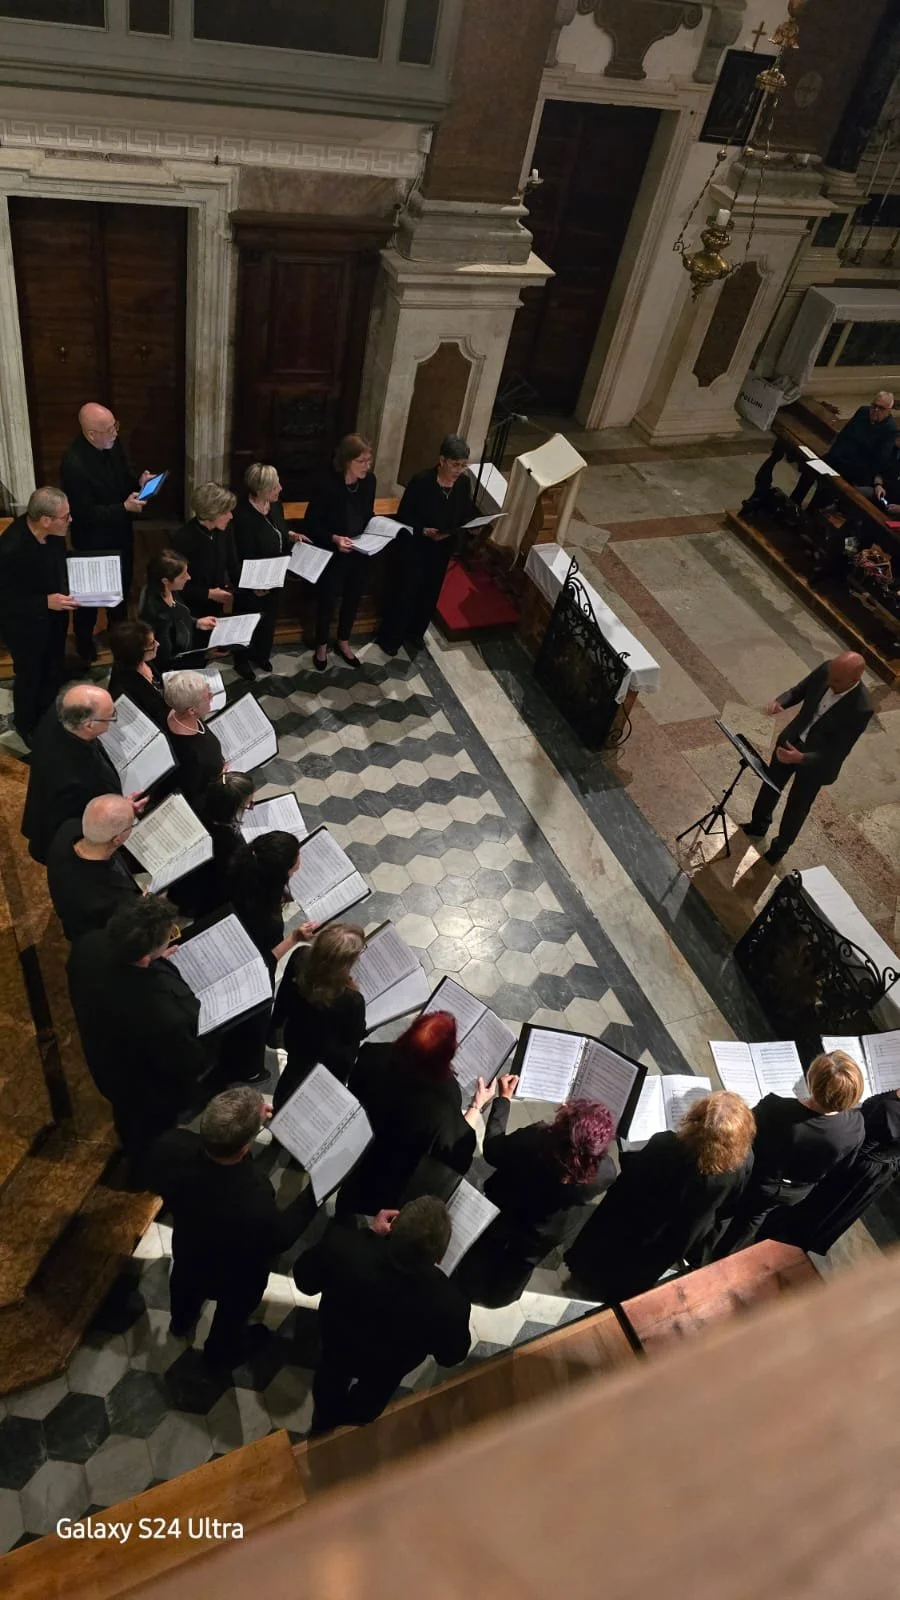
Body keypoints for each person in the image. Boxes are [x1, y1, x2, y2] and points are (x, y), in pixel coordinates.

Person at [144, 1087, 315, 1365]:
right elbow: (281, 1237)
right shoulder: (254, 1196)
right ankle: (219, 1353)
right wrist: (313, 1196)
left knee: (185, 1287)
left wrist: (249, 1125)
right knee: (232, 1315)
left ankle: (180, 1322)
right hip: (237, 1274)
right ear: (247, 1144)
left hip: (190, 1249)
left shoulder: (170, 1145)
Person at [294, 1196, 471, 1431]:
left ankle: (323, 1420)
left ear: (392, 1228)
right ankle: (353, 1419)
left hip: (337, 1342)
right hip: (387, 1368)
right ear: (439, 1257)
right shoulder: (450, 1305)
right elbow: (451, 1357)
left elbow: (304, 1279)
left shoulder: (344, 1246)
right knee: (370, 1400)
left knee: (329, 1379)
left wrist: (368, 1233)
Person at [565, 1092, 756, 1302]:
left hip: (641, 1216)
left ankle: (588, 1276)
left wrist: (627, 1154)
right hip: (679, 1233)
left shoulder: (667, 1146)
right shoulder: (742, 1163)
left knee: (611, 1247)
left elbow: (633, 1177)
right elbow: (730, 1202)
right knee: (646, 1265)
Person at [67, 894, 207, 1163]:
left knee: (127, 1116)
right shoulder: (163, 1013)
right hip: (145, 1087)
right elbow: (189, 1061)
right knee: (148, 1132)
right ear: (145, 956)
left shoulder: (86, 945)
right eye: (170, 935)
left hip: (102, 1054)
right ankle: (146, 1166)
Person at [453, 1080, 617, 1307]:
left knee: (488, 1244)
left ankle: (467, 1282)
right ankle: (501, 1296)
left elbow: (493, 1150)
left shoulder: (535, 1140)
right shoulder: (606, 1172)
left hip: (507, 1206)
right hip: (547, 1230)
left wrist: (504, 1100)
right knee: (521, 1263)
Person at [712, 1053, 865, 1258]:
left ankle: (700, 1252)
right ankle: (721, 1259)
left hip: (755, 1178)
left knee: (724, 1210)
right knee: (752, 1219)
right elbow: (843, 1166)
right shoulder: (855, 1127)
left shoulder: (775, 1108)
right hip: (795, 1192)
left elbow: (743, 1135)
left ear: (811, 1080)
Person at [336, 1012, 483, 1217]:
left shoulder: (373, 1054)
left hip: (354, 1151)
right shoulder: (446, 1097)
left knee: (348, 1200)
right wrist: (475, 1108)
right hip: (392, 1176)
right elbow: (457, 1156)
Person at [742, 653, 874, 863]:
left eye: (837, 681)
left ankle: (779, 849)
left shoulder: (861, 708)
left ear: (855, 680)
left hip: (815, 762)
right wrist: (780, 701)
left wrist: (801, 758)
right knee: (770, 785)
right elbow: (799, 690)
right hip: (792, 740)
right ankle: (758, 825)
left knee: (797, 806)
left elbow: (837, 752)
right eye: (831, 676)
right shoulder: (827, 670)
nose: (830, 683)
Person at [60, 403, 152, 663]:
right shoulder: (74, 464)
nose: (115, 432)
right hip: (92, 542)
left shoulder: (112, 444)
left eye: (115, 425)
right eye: (109, 429)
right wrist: (123, 507)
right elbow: (85, 513)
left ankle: (119, 642)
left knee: (120, 594)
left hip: (120, 535)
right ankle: (84, 648)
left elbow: (123, 477)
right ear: (91, 434)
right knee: (89, 602)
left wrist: (140, 483)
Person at [764, 1078, 900, 1256]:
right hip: (877, 1168)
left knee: (814, 1205)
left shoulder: (889, 1110)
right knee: (827, 1212)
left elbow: (865, 1137)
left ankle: (777, 1244)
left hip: (858, 1162)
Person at [21, 683, 144, 865]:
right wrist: (121, 808)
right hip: (63, 836)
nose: (114, 718)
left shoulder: (61, 712)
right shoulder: (76, 776)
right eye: (111, 717)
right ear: (88, 726)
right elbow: (83, 820)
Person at [376, 434, 475, 657]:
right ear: (442, 461)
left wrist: (469, 525)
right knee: (406, 592)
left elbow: (464, 513)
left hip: (442, 549)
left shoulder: (463, 484)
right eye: (455, 464)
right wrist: (423, 531)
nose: (459, 470)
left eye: (463, 466)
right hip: (417, 548)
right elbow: (404, 515)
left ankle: (415, 633)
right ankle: (391, 637)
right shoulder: (422, 481)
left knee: (430, 592)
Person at [0, 486, 77, 745]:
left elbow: (58, 564)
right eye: (65, 516)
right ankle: (27, 726)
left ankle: (49, 712)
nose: (70, 520)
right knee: (31, 676)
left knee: (53, 668)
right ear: (46, 520)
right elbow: (6, 600)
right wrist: (45, 602)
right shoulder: (11, 549)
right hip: (26, 628)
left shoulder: (53, 534)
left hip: (53, 620)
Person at [746, 391, 897, 513]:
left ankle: (810, 514)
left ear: (889, 411)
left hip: (855, 469)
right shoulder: (863, 412)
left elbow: (878, 459)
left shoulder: (889, 430)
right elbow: (844, 434)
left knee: (827, 487)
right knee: (809, 470)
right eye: (874, 406)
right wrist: (832, 455)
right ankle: (792, 504)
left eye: (880, 408)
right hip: (837, 457)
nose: (875, 410)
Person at [270, 923, 367, 1112]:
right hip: (324, 1062)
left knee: (289, 1088)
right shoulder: (351, 999)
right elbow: (349, 1048)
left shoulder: (300, 957)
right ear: (343, 964)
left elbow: (282, 1001)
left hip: (297, 1043)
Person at [305, 434, 376, 670]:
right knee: (327, 599)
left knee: (353, 598)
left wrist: (376, 531)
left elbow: (367, 514)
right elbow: (312, 523)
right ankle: (322, 645)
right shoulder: (327, 484)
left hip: (359, 551)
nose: (368, 465)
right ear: (348, 461)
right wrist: (334, 539)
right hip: (333, 553)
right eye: (362, 461)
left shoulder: (369, 482)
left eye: (369, 460)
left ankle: (344, 640)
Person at [170, 482, 253, 683]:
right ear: (212, 513)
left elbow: (232, 564)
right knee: (192, 655)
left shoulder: (223, 530)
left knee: (207, 646)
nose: (231, 516)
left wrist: (248, 586)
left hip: (213, 603)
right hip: (191, 607)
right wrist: (208, 593)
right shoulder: (184, 538)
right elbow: (176, 586)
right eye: (227, 512)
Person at [232, 463, 305, 675]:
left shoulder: (275, 506)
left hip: (275, 577)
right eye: (275, 487)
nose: (280, 489)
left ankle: (261, 655)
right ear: (261, 490)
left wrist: (290, 535)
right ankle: (242, 659)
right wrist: (252, 585)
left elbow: (277, 530)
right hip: (251, 581)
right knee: (247, 621)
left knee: (269, 620)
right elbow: (240, 553)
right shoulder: (241, 515)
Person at [46, 793, 140, 940]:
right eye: (131, 825)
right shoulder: (110, 900)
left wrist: (123, 808)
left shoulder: (68, 828)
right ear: (117, 839)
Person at [226, 830, 318, 977]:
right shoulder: (266, 920)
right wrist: (294, 938)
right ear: (278, 878)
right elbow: (264, 962)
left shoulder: (234, 867)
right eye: (292, 871)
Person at [139, 550, 216, 674]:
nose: (189, 577)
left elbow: (179, 615)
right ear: (165, 580)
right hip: (176, 670)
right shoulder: (158, 616)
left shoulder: (169, 589)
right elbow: (167, 660)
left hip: (188, 654)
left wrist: (196, 622)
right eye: (183, 575)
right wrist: (205, 655)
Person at [163, 669, 225, 812]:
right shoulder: (191, 753)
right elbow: (195, 793)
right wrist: (221, 778)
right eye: (207, 696)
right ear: (191, 710)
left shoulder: (174, 713)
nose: (212, 696)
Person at [107, 618, 169, 730]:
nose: (157, 644)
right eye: (151, 644)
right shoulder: (123, 685)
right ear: (135, 652)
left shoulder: (144, 661)